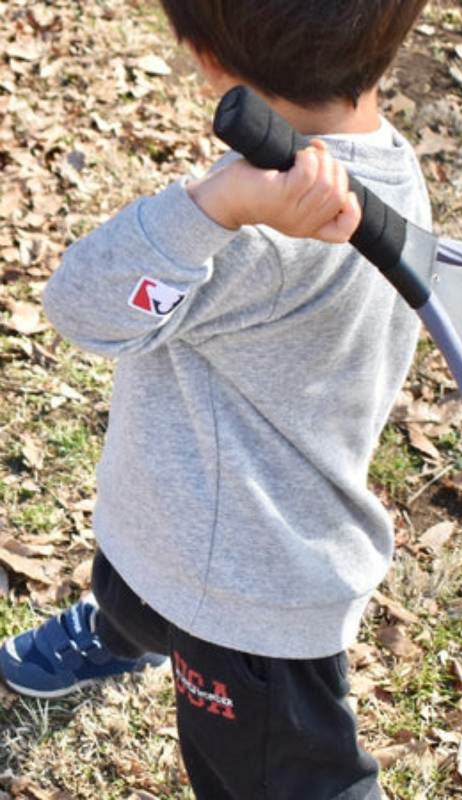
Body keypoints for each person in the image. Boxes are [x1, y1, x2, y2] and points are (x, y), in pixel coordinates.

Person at [0, 1, 431, 798]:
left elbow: (83, 306)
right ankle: (125, 634)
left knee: (284, 779)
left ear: (204, 55)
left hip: (244, 595)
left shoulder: (259, 240)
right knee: (131, 596)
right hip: (167, 527)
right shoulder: (386, 162)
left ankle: (147, 631)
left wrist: (217, 206)